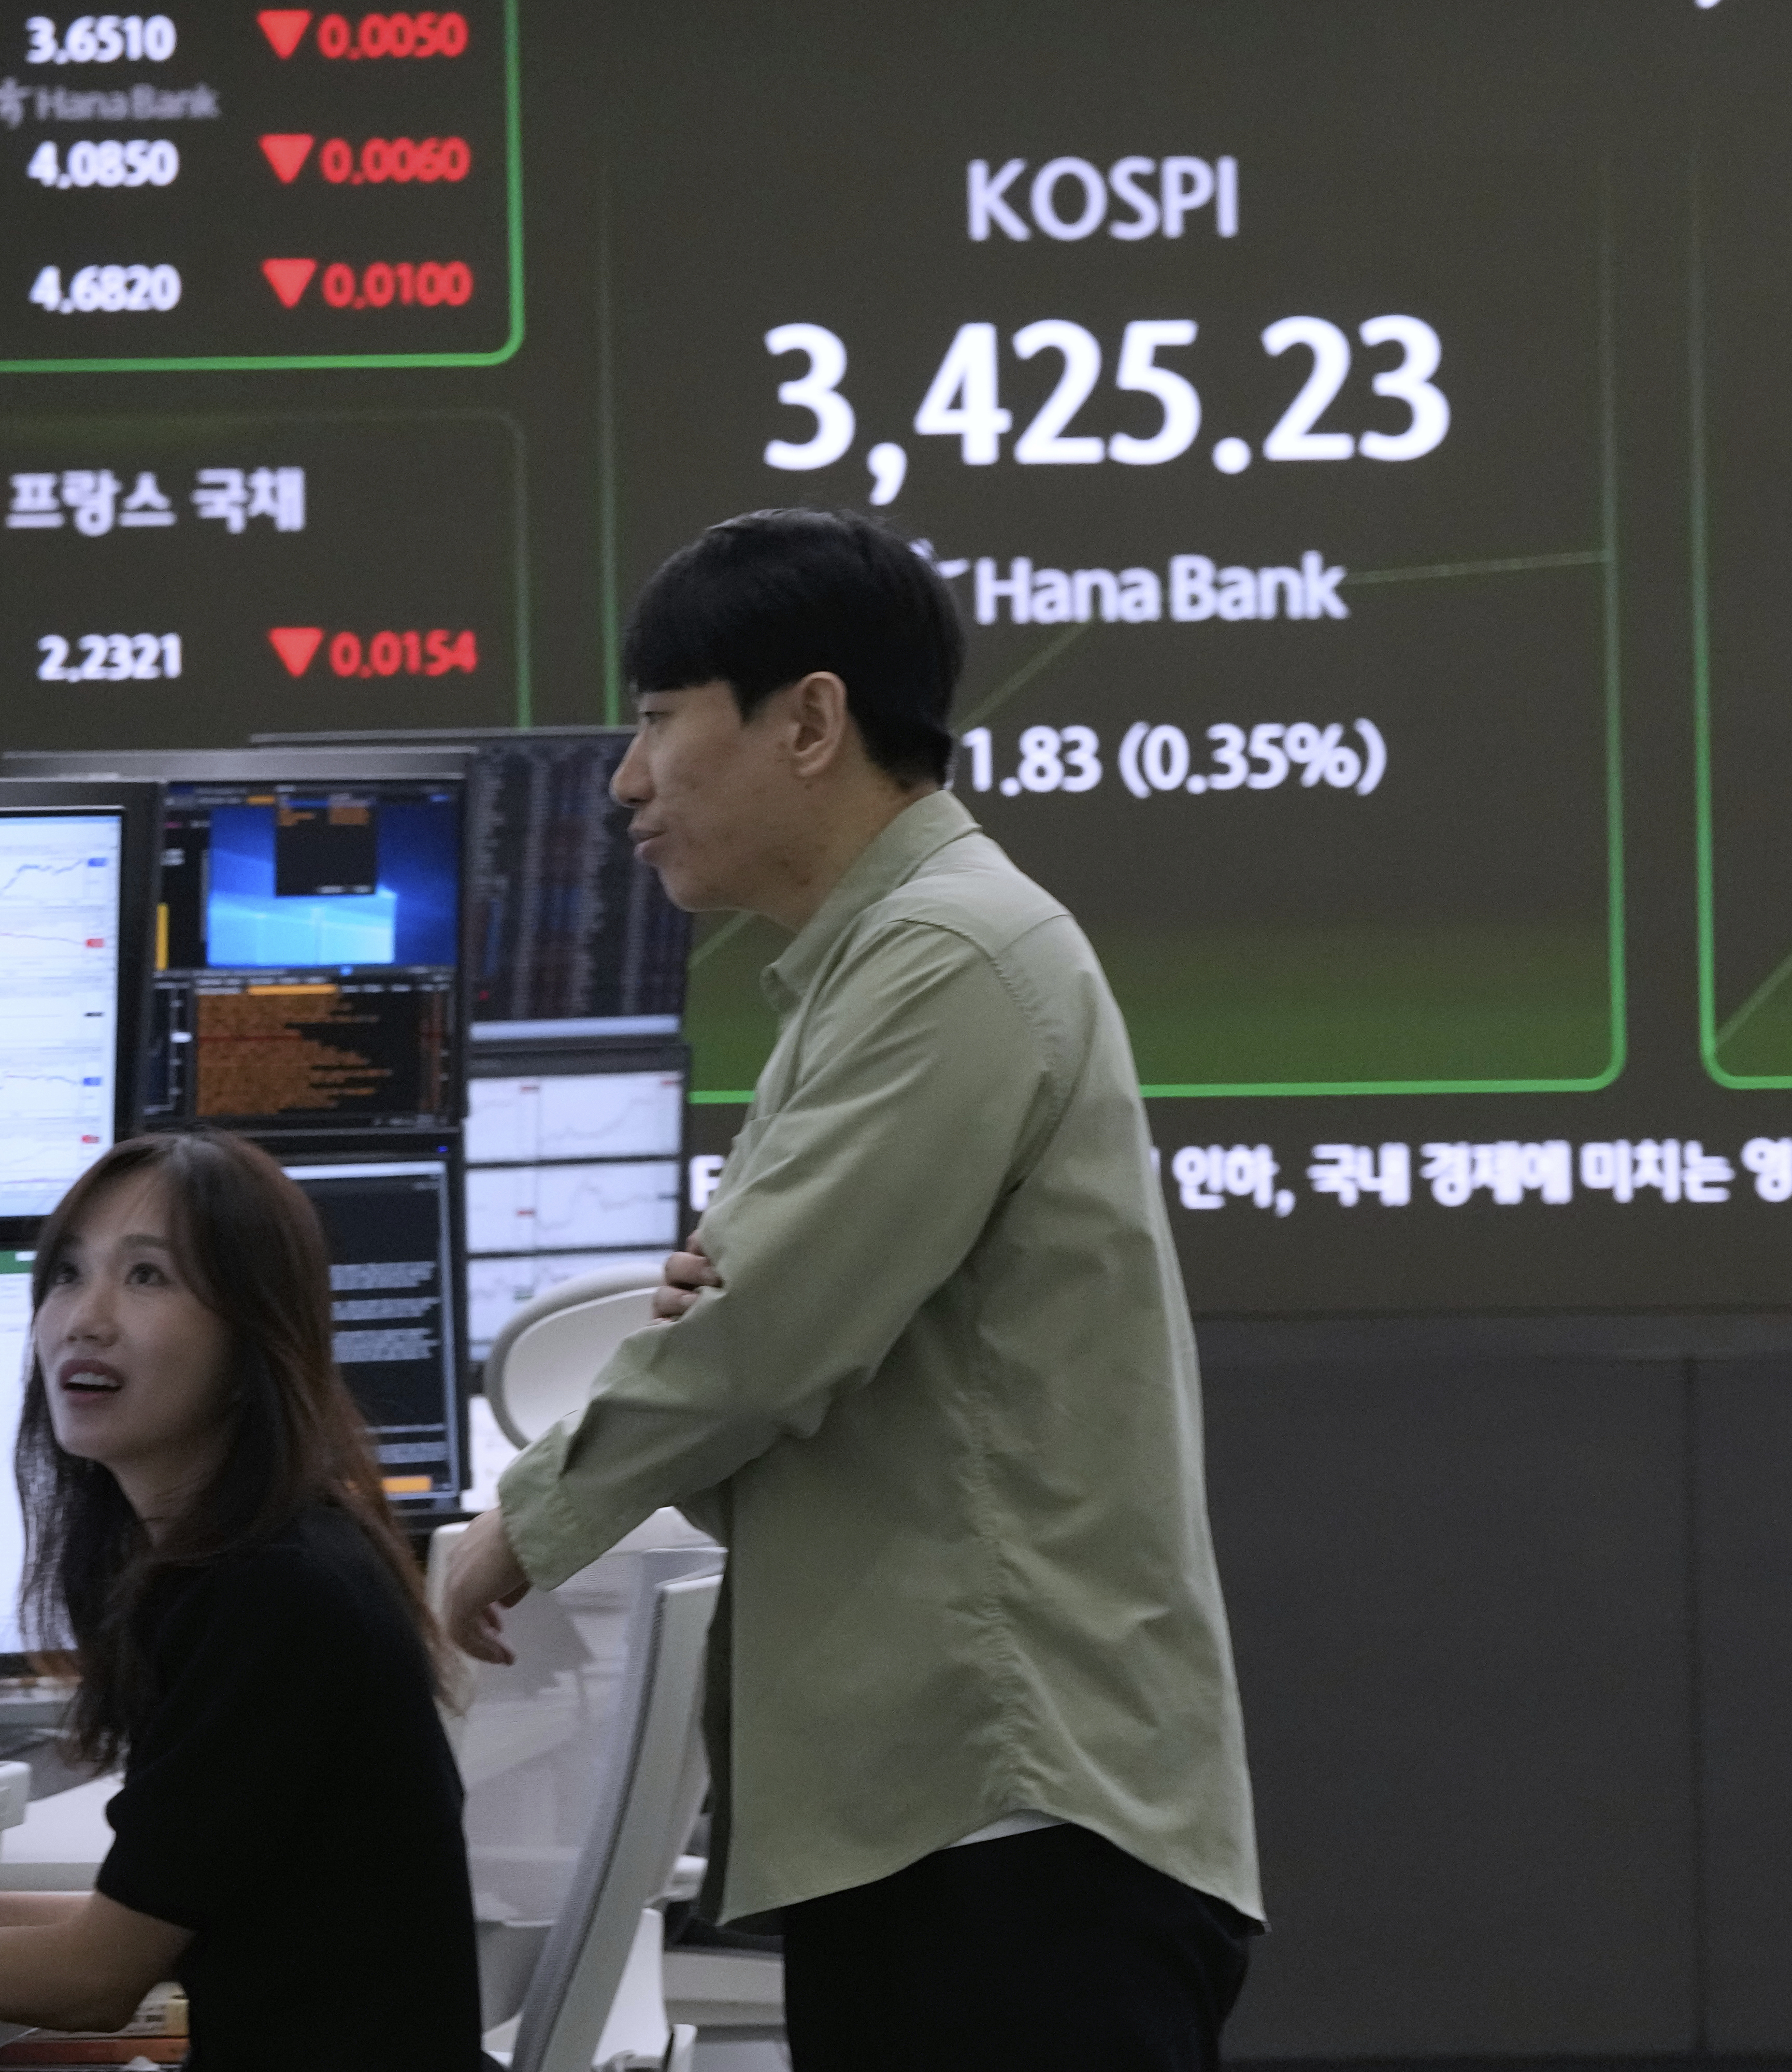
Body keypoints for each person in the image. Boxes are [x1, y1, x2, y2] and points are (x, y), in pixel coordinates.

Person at [439, 507, 1260, 2071]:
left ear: (809, 720)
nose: (629, 781)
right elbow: (772, 1312)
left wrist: (515, 1532)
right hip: (950, 1826)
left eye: (661, 721)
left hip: (1007, 1825)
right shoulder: (885, 963)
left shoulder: (949, 956)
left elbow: (760, 1339)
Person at [0, 1130, 482, 2069]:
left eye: (148, 1277)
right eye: (68, 1274)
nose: (86, 1318)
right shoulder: (261, 1558)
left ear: (253, 1339)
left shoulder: (272, 1595)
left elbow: (96, 1979)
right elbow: (142, 1914)